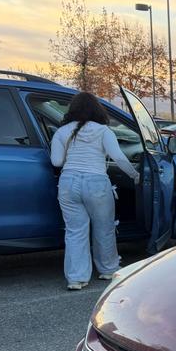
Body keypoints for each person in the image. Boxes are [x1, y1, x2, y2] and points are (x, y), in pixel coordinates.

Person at [50, 92, 140, 290]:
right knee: (104, 227)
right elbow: (119, 157)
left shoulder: (62, 132)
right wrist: (135, 175)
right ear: (96, 110)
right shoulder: (103, 131)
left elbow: (56, 162)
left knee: (75, 231)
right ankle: (108, 269)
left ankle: (76, 278)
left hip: (68, 183)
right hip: (97, 183)